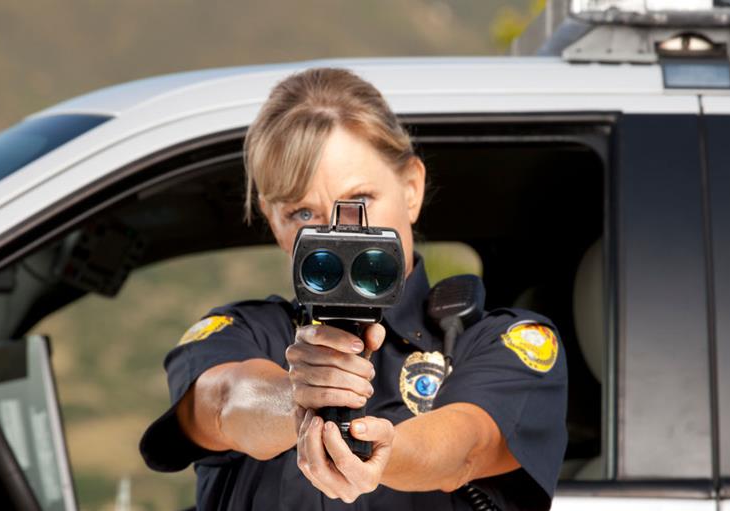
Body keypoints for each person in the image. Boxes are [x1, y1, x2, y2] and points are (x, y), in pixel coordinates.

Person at [139, 67, 568, 511]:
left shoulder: (497, 342)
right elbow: (223, 402)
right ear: (274, 222)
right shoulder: (241, 333)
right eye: (303, 213)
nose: (338, 234)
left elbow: (465, 447)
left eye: (360, 201)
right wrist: (298, 398)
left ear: (411, 189)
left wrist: (380, 453)